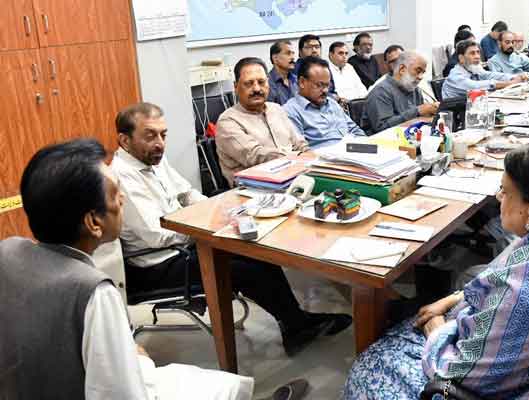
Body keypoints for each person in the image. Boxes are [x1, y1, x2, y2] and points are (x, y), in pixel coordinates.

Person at [0, 138, 310, 400]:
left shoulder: (9, 249)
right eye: (114, 195)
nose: (122, 198)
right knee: (219, 385)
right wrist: (139, 361)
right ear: (94, 223)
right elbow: (120, 393)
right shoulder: (93, 290)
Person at [342, 143, 529, 399]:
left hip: (503, 388)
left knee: (369, 366)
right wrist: (454, 299)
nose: (497, 196)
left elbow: (457, 373)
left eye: (504, 191)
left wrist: (437, 330)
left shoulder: (526, 291)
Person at [113, 102, 352, 356]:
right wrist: (208, 226)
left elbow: (187, 193)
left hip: (185, 242)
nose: (160, 142)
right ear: (124, 140)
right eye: (150, 135)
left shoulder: (153, 159)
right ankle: (296, 323)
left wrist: (220, 210)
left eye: (163, 134)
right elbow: (156, 235)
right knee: (243, 269)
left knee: (255, 248)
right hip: (158, 264)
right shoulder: (121, 177)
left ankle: (295, 323)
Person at [216, 58, 309, 183]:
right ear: (236, 87)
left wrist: (312, 159)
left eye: (261, 82)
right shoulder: (228, 121)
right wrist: (295, 158)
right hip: (255, 188)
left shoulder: (276, 109)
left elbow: (299, 143)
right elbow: (254, 155)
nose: (256, 89)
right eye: (248, 83)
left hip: (294, 175)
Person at [284, 56, 365, 148]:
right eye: (319, 85)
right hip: (325, 159)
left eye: (327, 85)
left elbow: (355, 130)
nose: (325, 90)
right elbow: (302, 149)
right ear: (302, 82)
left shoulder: (332, 103)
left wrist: (367, 147)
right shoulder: (290, 111)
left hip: (353, 151)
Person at [365, 50, 439, 133]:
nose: (421, 77)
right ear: (402, 69)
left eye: (423, 72)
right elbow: (383, 129)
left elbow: (422, 119)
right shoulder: (380, 92)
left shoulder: (415, 90)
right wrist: (418, 111)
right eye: (418, 71)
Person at [442, 40, 525, 99]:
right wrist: (509, 83)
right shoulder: (455, 75)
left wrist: (514, 77)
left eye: (478, 52)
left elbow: (490, 75)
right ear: (461, 58)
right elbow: (474, 87)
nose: (477, 56)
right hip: (455, 118)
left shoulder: (472, 69)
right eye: (472, 53)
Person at [267, 40, 298, 105]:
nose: (292, 57)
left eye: (293, 53)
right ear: (275, 58)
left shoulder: (297, 80)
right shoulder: (266, 82)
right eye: (288, 53)